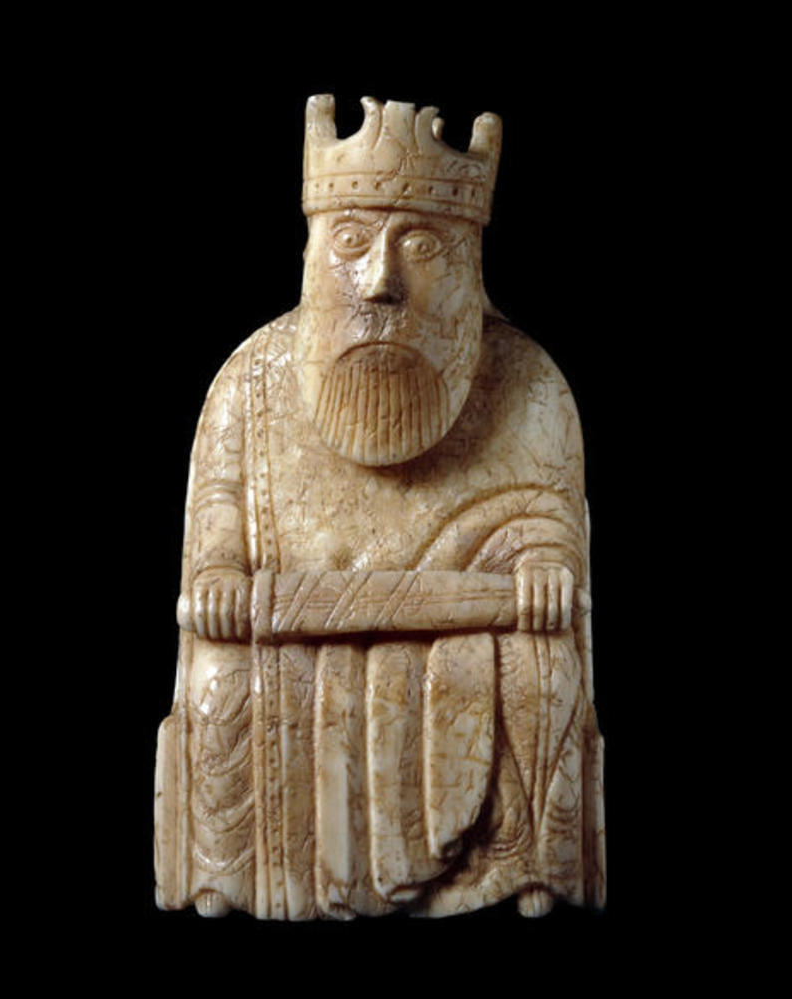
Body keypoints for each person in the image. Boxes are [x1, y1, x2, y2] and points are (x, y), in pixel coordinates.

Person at [155, 95, 605, 919]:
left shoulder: (530, 384)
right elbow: (215, 529)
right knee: (221, 680)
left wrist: (544, 566)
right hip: (287, 636)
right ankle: (232, 875)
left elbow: (551, 529)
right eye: (352, 241)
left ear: (468, 262)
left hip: (467, 636)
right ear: (312, 250)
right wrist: (219, 577)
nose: (381, 282)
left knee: (544, 671)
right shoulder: (249, 381)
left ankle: (520, 869)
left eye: (421, 246)